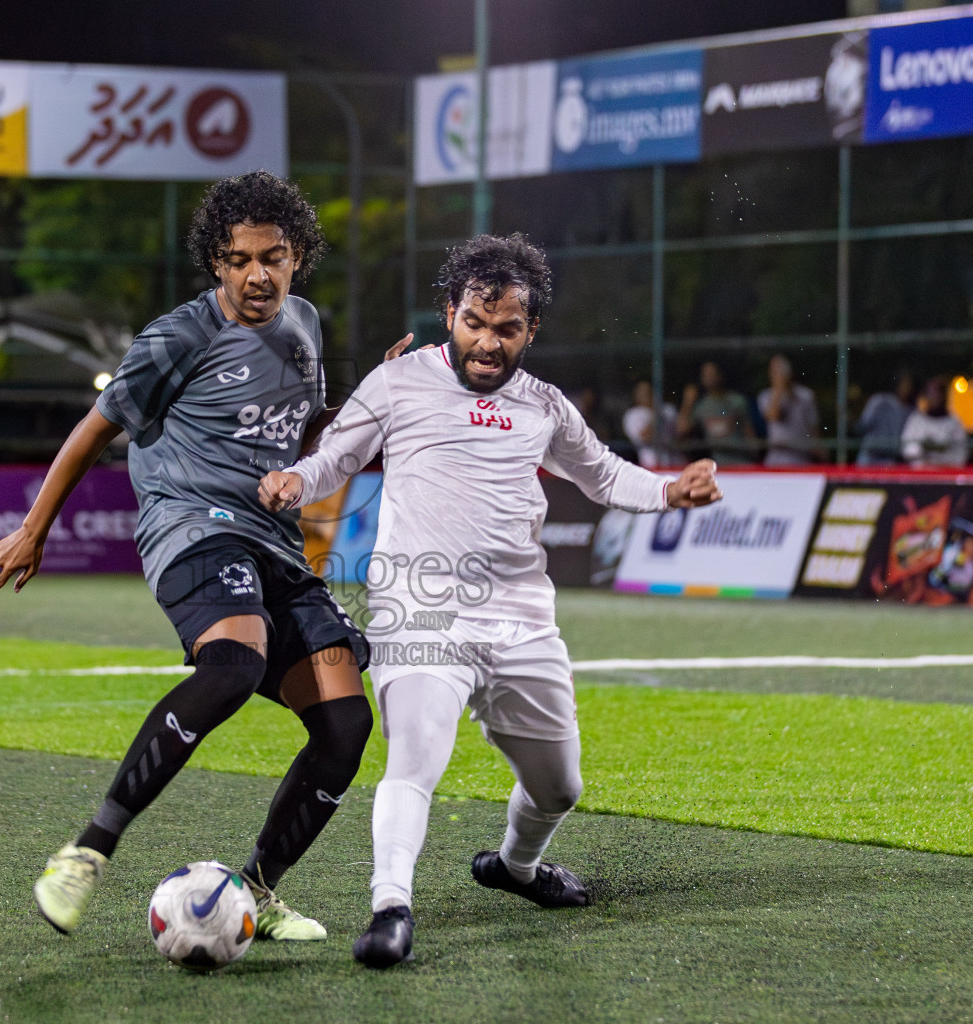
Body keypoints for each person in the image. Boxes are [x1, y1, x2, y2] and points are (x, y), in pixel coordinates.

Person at [257, 234, 722, 969]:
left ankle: (517, 868)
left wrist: (668, 490)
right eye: (476, 321)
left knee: (560, 785)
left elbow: (602, 476)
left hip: (521, 617)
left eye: (508, 329)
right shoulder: (399, 382)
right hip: (420, 605)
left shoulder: (545, 406)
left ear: (530, 331)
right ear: (452, 314)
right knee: (413, 758)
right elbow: (333, 458)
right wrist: (294, 481)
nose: (488, 342)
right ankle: (389, 908)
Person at [0, 172, 392, 942]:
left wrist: (372, 406)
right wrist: (36, 528)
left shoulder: (304, 324)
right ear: (217, 263)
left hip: (275, 542)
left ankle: (257, 890)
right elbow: (94, 429)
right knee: (232, 664)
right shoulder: (176, 338)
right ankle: (88, 852)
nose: (257, 274)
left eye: (275, 256)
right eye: (238, 259)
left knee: (345, 725)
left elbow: (301, 432)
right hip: (191, 525)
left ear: (299, 256)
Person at [677, 361, 755, 466]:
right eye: (706, 374)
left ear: (720, 375)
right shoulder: (702, 406)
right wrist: (688, 402)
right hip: (718, 465)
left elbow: (749, 433)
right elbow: (683, 430)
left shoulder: (737, 401)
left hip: (742, 462)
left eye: (712, 373)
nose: (709, 378)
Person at [757, 354, 819, 466]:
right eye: (774, 371)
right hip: (776, 457)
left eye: (781, 370)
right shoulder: (765, 396)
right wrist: (779, 389)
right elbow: (773, 416)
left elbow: (814, 427)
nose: (778, 374)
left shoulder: (806, 395)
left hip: (801, 457)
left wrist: (819, 451)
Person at [901, 376, 969, 467]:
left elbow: (961, 456)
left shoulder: (955, 423)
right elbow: (907, 450)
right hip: (919, 475)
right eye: (931, 393)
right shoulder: (916, 420)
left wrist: (940, 451)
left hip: (946, 475)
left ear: (945, 396)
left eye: (939, 393)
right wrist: (924, 448)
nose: (935, 397)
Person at [855, 370, 915, 467]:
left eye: (909, 384)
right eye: (904, 383)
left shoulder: (910, 410)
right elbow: (863, 425)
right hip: (870, 456)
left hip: (889, 460)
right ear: (897, 384)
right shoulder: (879, 401)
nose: (907, 387)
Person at [621, 379, 679, 469]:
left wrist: (688, 402)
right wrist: (656, 414)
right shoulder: (632, 415)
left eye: (649, 391)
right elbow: (645, 437)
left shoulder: (668, 409)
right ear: (636, 395)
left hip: (676, 463)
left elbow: (682, 432)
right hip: (651, 467)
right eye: (642, 392)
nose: (646, 395)